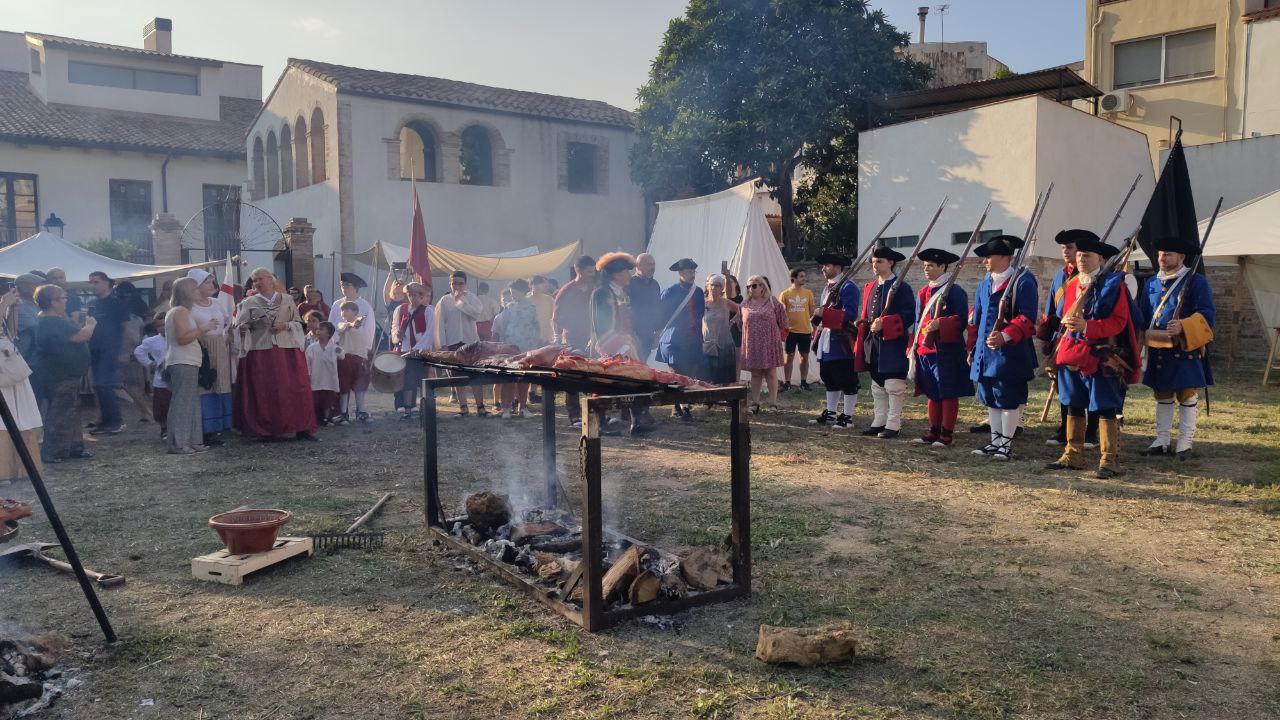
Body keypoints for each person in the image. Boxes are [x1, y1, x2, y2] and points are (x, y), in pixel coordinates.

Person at [1044, 236, 1141, 478]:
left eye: (1086, 255)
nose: (1081, 259)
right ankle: (1073, 454)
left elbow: (1118, 323)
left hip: (1099, 355)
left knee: (1106, 407)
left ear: (1101, 259)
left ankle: (1109, 460)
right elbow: (1061, 318)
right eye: (1079, 255)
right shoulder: (1072, 284)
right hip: (1070, 353)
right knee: (1073, 403)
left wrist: (1087, 326)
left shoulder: (1113, 284)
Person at [1138, 234, 1215, 459]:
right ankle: (1162, 440)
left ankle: (1184, 443)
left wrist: (1183, 325)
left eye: (1168, 254)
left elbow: (1207, 314)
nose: (1162, 257)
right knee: (1162, 393)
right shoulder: (1152, 283)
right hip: (1159, 347)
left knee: (1187, 394)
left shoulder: (1196, 281)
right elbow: (1144, 315)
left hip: (1184, 348)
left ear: (1181, 257)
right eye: (1161, 254)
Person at [968, 235, 1039, 460]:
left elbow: (1027, 318)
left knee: (1007, 397)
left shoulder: (1023, 281)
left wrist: (1006, 336)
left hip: (1010, 352)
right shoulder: (984, 284)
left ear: (1003, 257)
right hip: (985, 352)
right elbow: (976, 322)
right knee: (990, 396)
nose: (985, 261)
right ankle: (995, 440)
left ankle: (1006, 445)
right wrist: (972, 349)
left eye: (988, 257)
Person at [233, 268, 317, 441]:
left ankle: (301, 427)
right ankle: (266, 430)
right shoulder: (247, 303)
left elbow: (298, 323)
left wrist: (285, 326)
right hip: (260, 352)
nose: (257, 283)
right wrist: (244, 327)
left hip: (287, 351)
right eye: (254, 280)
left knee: (294, 387)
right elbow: (238, 327)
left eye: (260, 279)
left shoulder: (287, 300)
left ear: (270, 280)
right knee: (265, 390)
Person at [1039, 230, 1100, 448]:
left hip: (1087, 337)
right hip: (1063, 338)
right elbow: (1051, 309)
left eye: (1071, 247)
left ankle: (1091, 431)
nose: (1066, 252)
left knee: (1090, 387)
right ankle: (1065, 429)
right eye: (1063, 248)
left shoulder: (1096, 277)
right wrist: (1047, 335)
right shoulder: (1060, 275)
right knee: (1064, 386)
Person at [910, 249, 974, 447]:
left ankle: (946, 433)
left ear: (942, 267)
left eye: (931, 265)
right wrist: (913, 345)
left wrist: (941, 324)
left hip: (946, 350)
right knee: (932, 392)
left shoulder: (955, 291)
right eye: (925, 266)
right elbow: (917, 322)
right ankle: (933, 429)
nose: (926, 269)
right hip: (925, 349)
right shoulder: (923, 291)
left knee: (947, 391)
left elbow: (961, 320)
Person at [853, 247, 915, 439]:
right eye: (873, 262)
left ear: (891, 263)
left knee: (894, 384)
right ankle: (879, 420)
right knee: (877, 384)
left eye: (879, 261)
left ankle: (893, 424)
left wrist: (885, 323)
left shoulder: (902, 287)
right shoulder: (870, 286)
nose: (875, 265)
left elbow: (909, 316)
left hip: (893, 341)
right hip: (872, 341)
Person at [591, 253, 654, 434]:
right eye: (626, 271)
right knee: (603, 383)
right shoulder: (602, 293)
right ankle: (599, 424)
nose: (629, 275)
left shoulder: (620, 291)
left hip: (626, 341)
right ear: (616, 274)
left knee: (634, 379)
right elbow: (601, 325)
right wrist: (619, 347)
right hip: (609, 344)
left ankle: (636, 422)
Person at [32, 284, 94, 463]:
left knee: (72, 411)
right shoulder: (51, 321)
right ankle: (53, 451)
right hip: (60, 375)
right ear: (52, 302)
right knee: (61, 412)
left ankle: (74, 447)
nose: (66, 301)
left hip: (66, 373)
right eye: (62, 298)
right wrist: (90, 325)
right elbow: (81, 336)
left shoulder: (54, 319)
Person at [164, 277, 213, 455]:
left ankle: (193, 441)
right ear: (186, 293)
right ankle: (178, 443)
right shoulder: (179, 312)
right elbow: (183, 338)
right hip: (182, 361)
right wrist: (203, 329)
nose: (198, 292)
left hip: (189, 361)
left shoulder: (184, 311)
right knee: (182, 403)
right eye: (194, 289)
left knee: (192, 402)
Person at [811, 252, 860, 429]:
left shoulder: (848, 287)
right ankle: (831, 413)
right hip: (827, 337)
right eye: (823, 265)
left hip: (841, 339)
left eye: (828, 265)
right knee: (829, 377)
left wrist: (825, 314)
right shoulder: (828, 287)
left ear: (838, 267)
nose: (823, 268)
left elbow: (851, 314)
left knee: (846, 379)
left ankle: (847, 416)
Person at [0, 289, 43, 481]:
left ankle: (20, 468)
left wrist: (12, 311)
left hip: (9, 364)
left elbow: (9, 334)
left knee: (19, 417)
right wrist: (3, 305)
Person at [187, 269, 234, 444]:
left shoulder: (216, 302)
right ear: (196, 285)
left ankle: (217, 427)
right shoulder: (189, 306)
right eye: (207, 282)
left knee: (220, 384)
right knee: (205, 384)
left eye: (211, 282)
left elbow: (226, 320)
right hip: (201, 346)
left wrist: (228, 331)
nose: (211, 285)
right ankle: (204, 429)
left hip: (220, 346)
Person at [434, 270, 488, 416]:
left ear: (465, 284)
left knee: (475, 375)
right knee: (456, 376)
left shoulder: (472, 298)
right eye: (454, 283)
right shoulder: (444, 300)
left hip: (470, 342)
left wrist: (460, 301)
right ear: (450, 283)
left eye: (460, 283)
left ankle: (480, 406)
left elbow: (477, 314)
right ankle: (463, 407)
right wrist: (442, 345)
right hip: (452, 342)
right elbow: (439, 324)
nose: (457, 286)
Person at [657, 258, 706, 419]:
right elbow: (661, 315)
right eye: (688, 272)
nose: (691, 275)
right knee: (678, 373)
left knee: (690, 373)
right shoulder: (670, 291)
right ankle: (684, 408)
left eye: (693, 272)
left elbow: (700, 314)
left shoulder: (698, 292)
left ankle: (678, 405)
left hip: (693, 338)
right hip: (675, 340)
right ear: (680, 273)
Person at [553, 255, 596, 427]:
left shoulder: (595, 288)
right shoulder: (567, 290)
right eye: (589, 271)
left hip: (594, 337)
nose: (592, 274)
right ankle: (574, 414)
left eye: (594, 271)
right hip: (574, 337)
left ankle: (596, 411)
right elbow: (557, 318)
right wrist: (575, 326)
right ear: (578, 270)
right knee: (572, 374)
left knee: (596, 373)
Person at [492, 279, 542, 419]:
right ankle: (506, 408)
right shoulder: (509, 307)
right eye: (511, 292)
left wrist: (535, 344)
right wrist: (502, 346)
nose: (512, 295)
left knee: (524, 379)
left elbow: (536, 327)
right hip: (510, 348)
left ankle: (523, 407)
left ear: (523, 292)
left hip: (527, 348)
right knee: (509, 379)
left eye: (514, 292)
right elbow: (503, 326)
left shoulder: (531, 308)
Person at [86, 271, 128, 434]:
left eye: (95, 282)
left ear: (107, 283)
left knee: (104, 384)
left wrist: (125, 351)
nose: (92, 286)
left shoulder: (117, 303)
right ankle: (106, 421)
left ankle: (115, 422)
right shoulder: (92, 303)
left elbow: (127, 328)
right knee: (98, 385)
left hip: (111, 349)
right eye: (90, 282)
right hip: (95, 349)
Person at [740, 274, 788, 413]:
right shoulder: (744, 304)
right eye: (748, 286)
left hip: (769, 342)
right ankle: (755, 403)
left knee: (771, 373)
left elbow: (783, 322)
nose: (751, 288)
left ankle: (773, 403)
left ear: (762, 287)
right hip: (752, 343)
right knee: (755, 374)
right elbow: (739, 323)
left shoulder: (773, 302)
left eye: (754, 285)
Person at [113, 281, 156, 426]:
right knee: (135, 384)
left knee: (130, 384)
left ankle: (148, 412)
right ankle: (146, 412)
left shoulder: (124, 309)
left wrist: (126, 351)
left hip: (128, 350)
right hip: (137, 349)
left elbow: (131, 335)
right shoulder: (140, 305)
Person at [394, 282, 435, 417]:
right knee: (408, 381)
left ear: (422, 296)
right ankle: (407, 410)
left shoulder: (428, 311)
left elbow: (429, 332)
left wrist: (418, 348)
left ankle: (426, 408)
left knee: (423, 380)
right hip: (406, 351)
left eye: (416, 295)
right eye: (410, 295)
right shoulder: (400, 309)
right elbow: (394, 328)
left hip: (422, 352)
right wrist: (397, 336)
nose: (413, 298)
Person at [778, 268, 816, 392]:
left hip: (805, 330)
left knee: (804, 357)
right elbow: (781, 313)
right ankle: (787, 382)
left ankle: (804, 382)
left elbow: (811, 311)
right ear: (793, 278)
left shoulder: (808, 293)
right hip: (790, 331)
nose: (804, 278)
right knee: (789, 356)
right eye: (801, 276)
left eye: (804, 276)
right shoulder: (785, 294)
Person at [335, 301, 373, 423]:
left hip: (360, 358)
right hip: (345, 358)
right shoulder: (342, 324)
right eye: (342, 310)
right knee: (344, 386)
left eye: (346, 310)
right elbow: (343, 327)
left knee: (360, 386)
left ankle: (360, 411)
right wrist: (352, 324)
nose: (343, 312)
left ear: (355, 312)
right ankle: (343, 413)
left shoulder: (362, 325)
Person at [134, 318, 169, 441]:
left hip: (178, 377)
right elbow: (138, 351)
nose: (162, 328)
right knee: (162, 406)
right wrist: (150, 363)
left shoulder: (177, 338)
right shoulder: (152, 341)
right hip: (161, 379)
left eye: (164, 324)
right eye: (159, 326)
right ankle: (164, 428)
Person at [702, 274, 739, 386]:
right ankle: (708, 402)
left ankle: (725, 399)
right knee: (709, 378)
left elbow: (743, 309)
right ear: (708, 287)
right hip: (708, 345)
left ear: (721, 288)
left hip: (725, 344)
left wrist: (733, 321)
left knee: (725, 379)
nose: (714, 288)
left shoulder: (726, 303)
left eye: (717, 285)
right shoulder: (703, 303)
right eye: (712, 285)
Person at [306, 321, 344, 426]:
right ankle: (317, 419)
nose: (318, 331)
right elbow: (307, 364)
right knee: (316, 402)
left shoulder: (334, 347)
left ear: (328, 334)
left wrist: (339, 351)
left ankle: (328, 418)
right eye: (318, 329)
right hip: (315, 379)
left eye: (322, 329)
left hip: (330, 380)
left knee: (329, 401)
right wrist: (307, 376)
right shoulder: (311, 348)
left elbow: (342, 356)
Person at [627, 254, 662, 361]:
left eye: (654, 264)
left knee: (642, 368)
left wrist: (657, 333)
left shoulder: (655, 285)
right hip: (632, 337)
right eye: (649, 264)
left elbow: (657, 310)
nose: (653, 267)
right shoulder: (629, 283)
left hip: (648, 337)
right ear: (639, 266)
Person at [12, 274, 43, 369]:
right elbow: (35, 327)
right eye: (37, 285)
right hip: (22, 359)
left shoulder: (36, 305)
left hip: (34, 359)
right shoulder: (16, 305)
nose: (40, 288)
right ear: (24, 287)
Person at [528, 275, 556, 343]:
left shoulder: (549, 299)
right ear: (530, 286)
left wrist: (556, 335)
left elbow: (554, 318)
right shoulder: (526, 301)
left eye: (540, 283)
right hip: (531, 337)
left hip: (547, 337)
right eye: (535, 283)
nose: (538, 286)